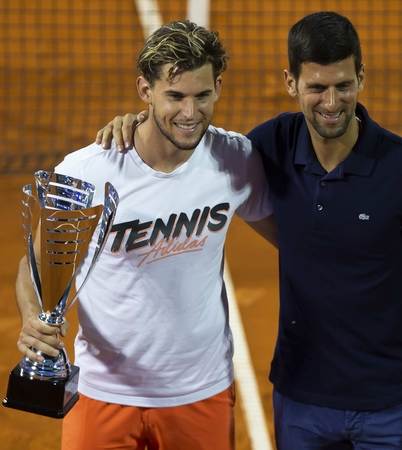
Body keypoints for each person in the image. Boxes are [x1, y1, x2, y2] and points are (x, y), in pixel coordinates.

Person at [97, 11, 402, 450]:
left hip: (393, 404)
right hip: (300, 401)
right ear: (291, 83)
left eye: (343, 86)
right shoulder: (267, 148)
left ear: (361, 78)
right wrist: (136, 122)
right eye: (316, 87)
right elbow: (187, 140)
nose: (331, 103)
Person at [16, 20, 276, 450]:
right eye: (175, 96)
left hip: (200, 393)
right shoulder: (88, 172)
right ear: (145, 91)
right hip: (103, 394)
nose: (190, 113)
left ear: (219, 87)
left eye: (202, 96)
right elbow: (36, 265)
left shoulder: (236, 161)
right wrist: (31, 316)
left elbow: (298, 242)